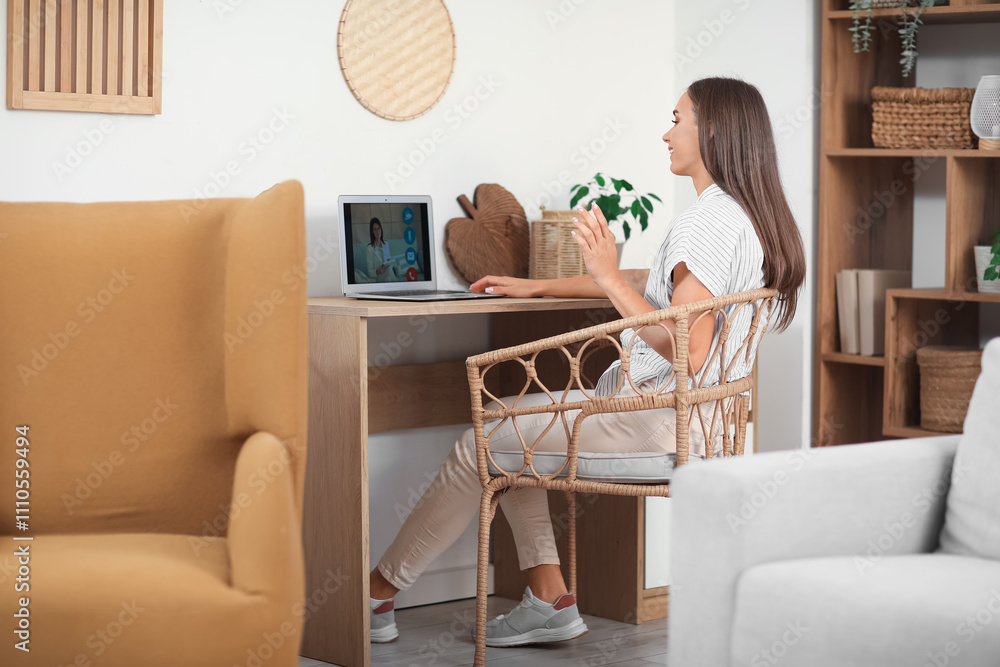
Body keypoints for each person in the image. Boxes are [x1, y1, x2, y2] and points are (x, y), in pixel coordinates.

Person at [367, 77, 806, 647]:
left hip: (657, 419)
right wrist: (536, 286)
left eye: (677, 120)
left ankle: (375, 593)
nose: (666, 134)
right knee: (510, 426)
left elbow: (686, 349)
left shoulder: (706, 222)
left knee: (483, 440)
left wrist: (605, 275)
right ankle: (548, 598)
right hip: (698, 421)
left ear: (714, 131)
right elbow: (655, 284)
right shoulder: (743, 217)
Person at [366, 217, 397, 282]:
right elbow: (370, 273)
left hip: (388, 274)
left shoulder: (386, 244)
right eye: (375, 229)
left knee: (389, 272)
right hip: (379, 278)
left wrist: (391, 262)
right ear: (372, 232)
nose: (378, 232)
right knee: (389, 275)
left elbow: (389, 263)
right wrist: (377, 271)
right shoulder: (370, 248)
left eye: (379, 228)